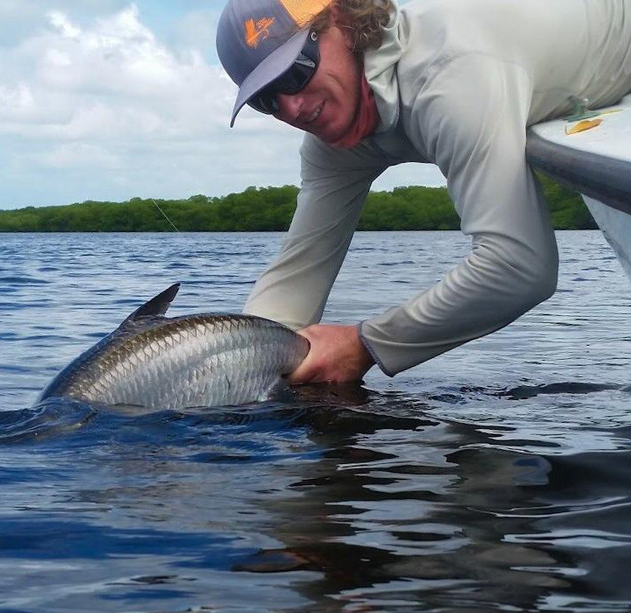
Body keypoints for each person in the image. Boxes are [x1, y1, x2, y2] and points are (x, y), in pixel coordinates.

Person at [216, 0, 631, 383]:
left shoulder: (449, 78)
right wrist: (231, 374)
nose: (292, 108)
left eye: (295, 72)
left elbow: (520, 267)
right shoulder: (332, 144)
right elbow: (295, 281)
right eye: (267, 100)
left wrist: (364, 345)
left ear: (343, 21)